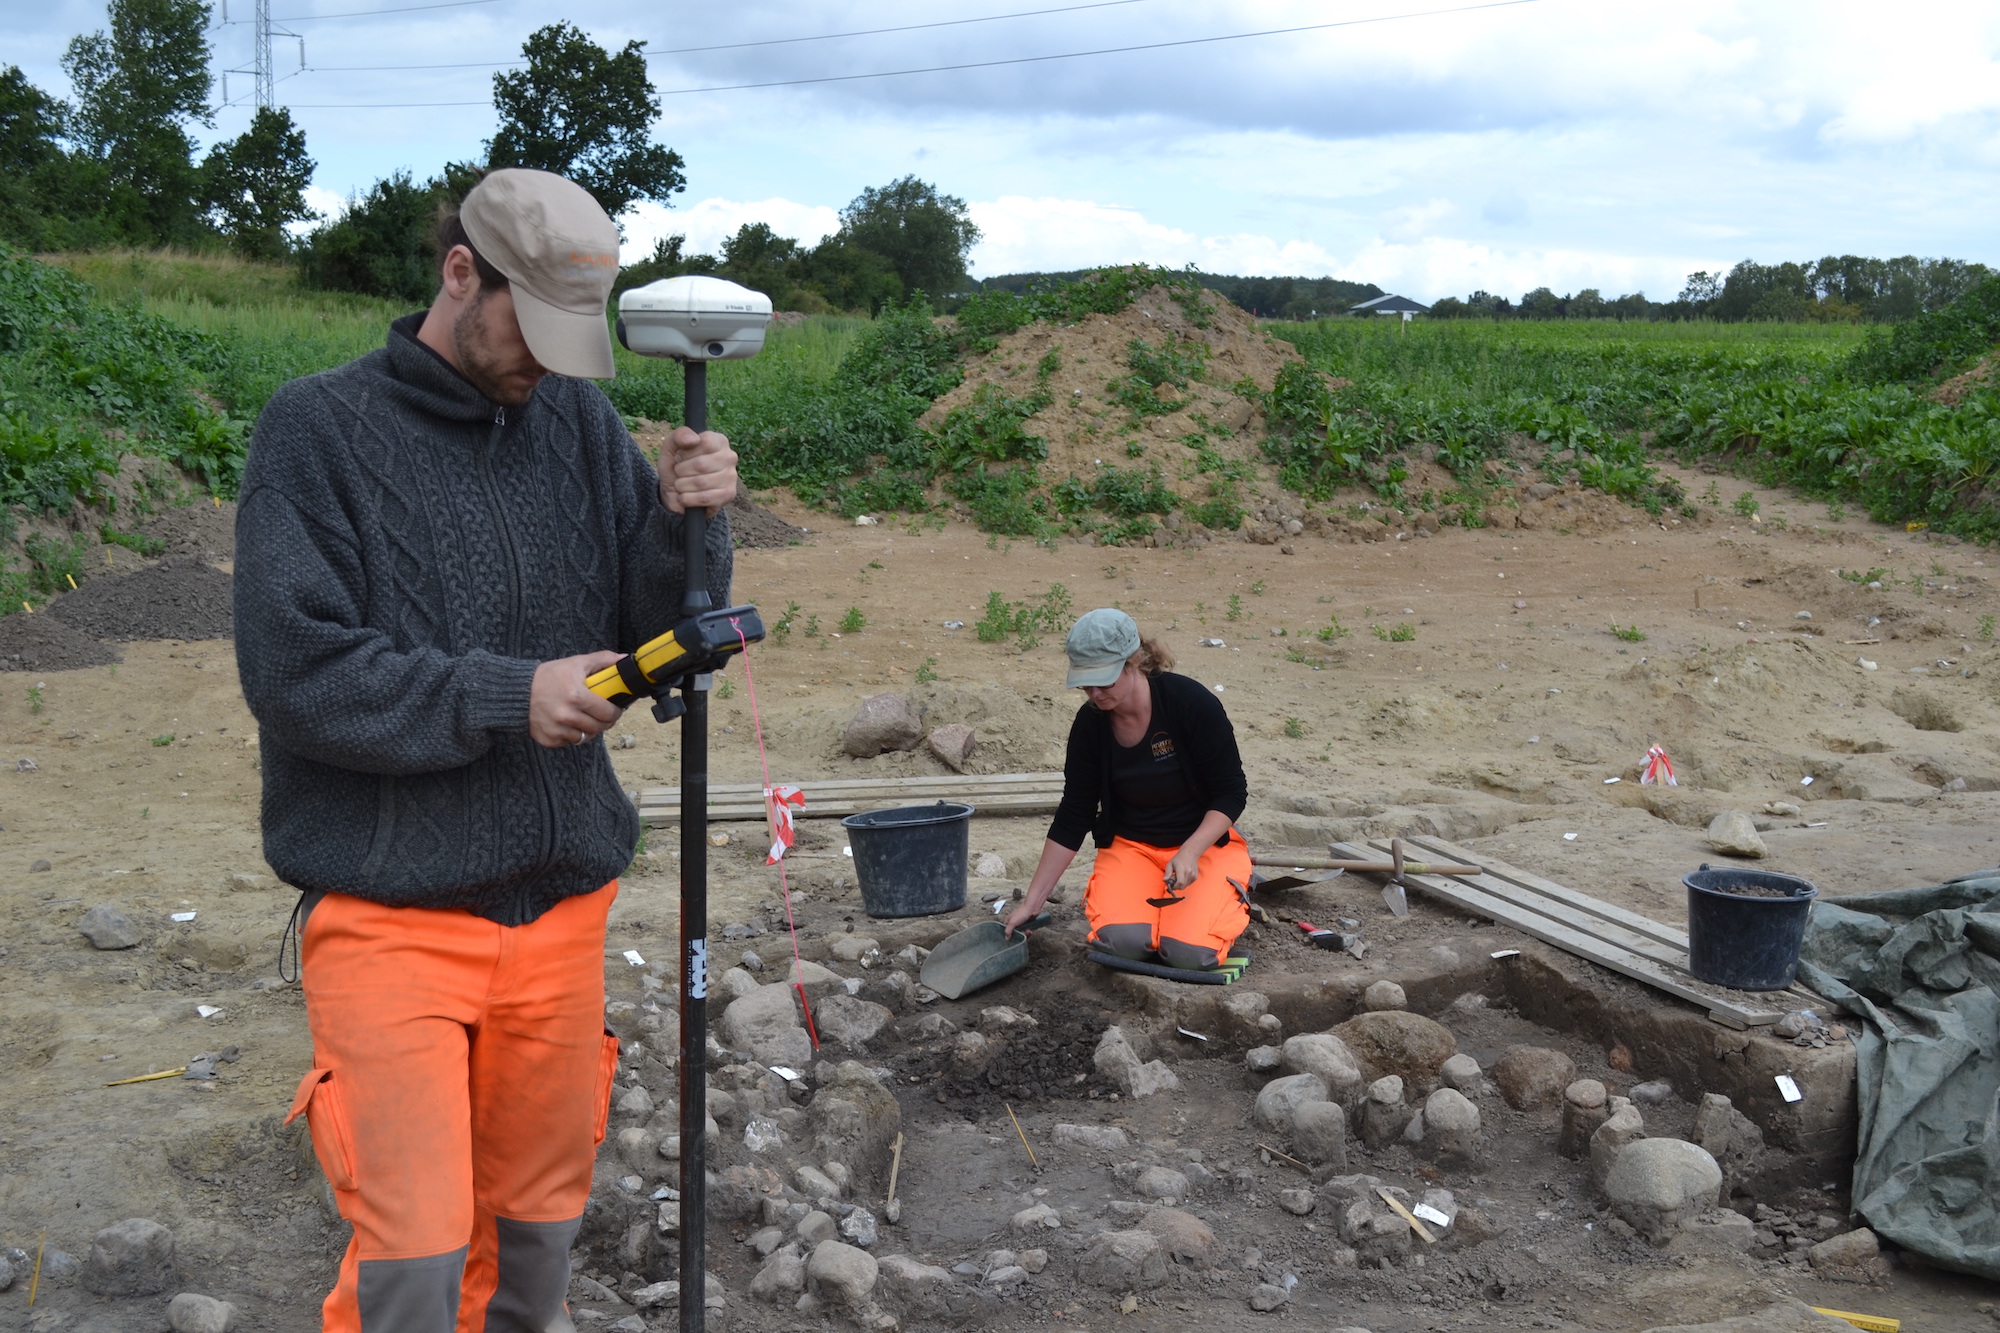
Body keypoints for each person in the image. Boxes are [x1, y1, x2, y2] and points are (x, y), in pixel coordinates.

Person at [232, 168, 739, 1333]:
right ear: (462, 272)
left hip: (558, 911)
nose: (551, 364)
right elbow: (298, 678)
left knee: (537, 1233)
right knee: (413, 1255)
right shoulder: (315, 431)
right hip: (391, 914)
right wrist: (511, 695)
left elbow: (655, 635)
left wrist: (685, 524)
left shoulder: (571, 417)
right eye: (533, 329)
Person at [1004, 607, 1251, 971]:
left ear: (1132, 661)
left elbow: (1231, 791)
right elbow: (1075, 814)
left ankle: (1230, 886)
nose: (1095, 692)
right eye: (1086, 683)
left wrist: (1189, 851)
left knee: (1189, 955)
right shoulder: (1090, 725)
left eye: (1104, 680)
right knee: (1122, 946)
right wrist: (1033, 901)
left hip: (1202, 847)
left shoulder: (1190, 703)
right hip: (1132, 847)